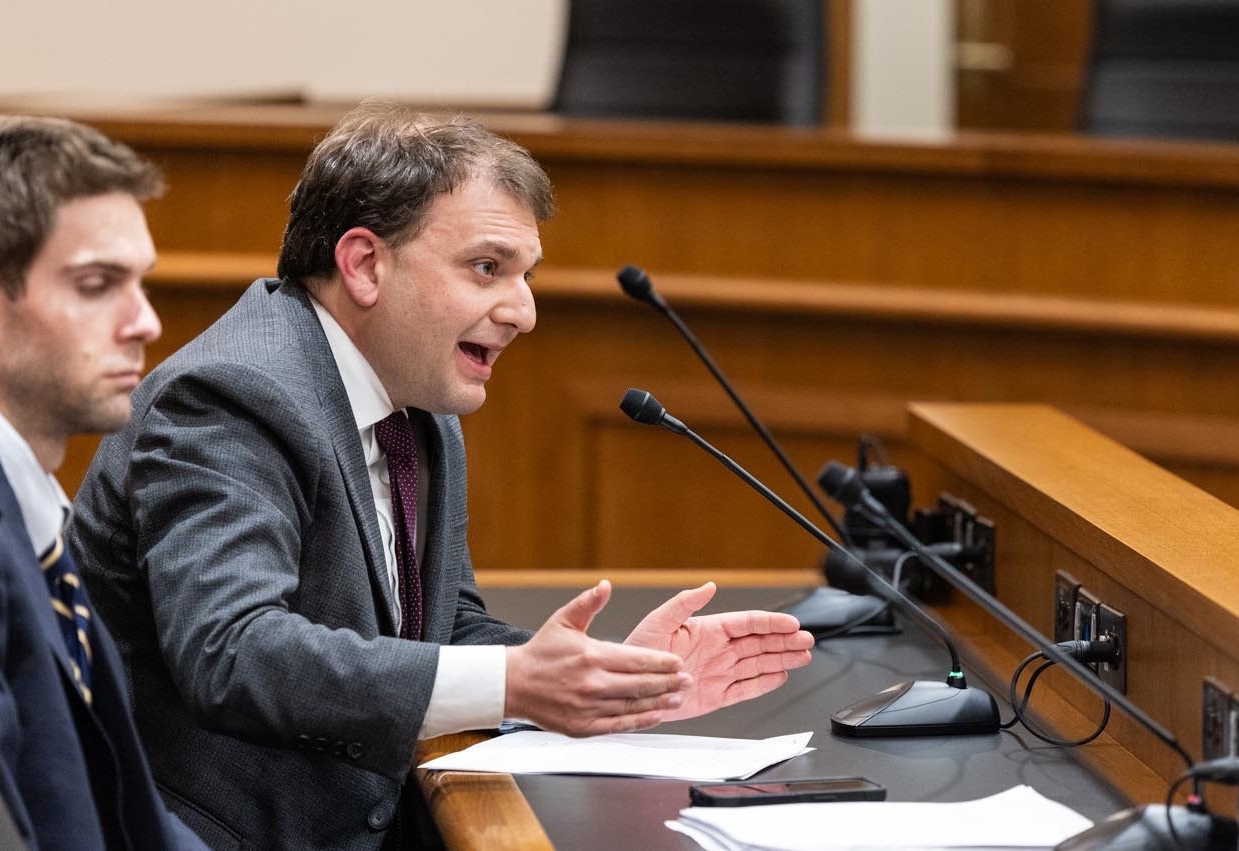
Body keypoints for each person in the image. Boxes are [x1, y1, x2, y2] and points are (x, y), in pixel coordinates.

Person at [71, 101, 815, 850]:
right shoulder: (234, 395)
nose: (523, 311)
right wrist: (517, 681)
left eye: (525, 275)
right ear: (365, 264)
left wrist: (614, 678)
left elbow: (443, 626)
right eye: (487, 268)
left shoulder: (417, 404)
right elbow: (232, 653)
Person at [0, 113, 207, 850]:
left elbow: (123, 810)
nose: (146, 322)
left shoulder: (1, 492)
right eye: (97, 285)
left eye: (140, 283)